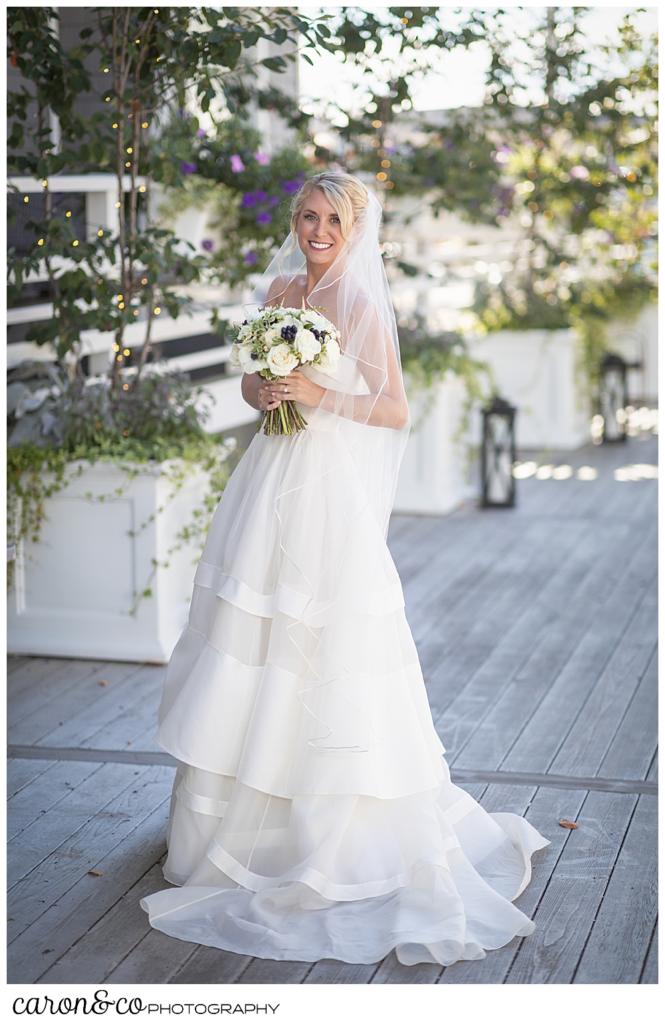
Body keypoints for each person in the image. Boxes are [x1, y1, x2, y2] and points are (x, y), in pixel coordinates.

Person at [140, 170, 550, 966]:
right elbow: (251, 378)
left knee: (324, 641)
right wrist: (265, 389)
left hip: (325, 492)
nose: (316, 229)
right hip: (267, 478)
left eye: (331, 218)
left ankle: (327, 830)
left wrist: (317, 396)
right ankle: (240, 823)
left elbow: (394, 407)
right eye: (306, 215)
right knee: (249, 636)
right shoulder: (282, 284)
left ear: (354, 229)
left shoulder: (358, 304)